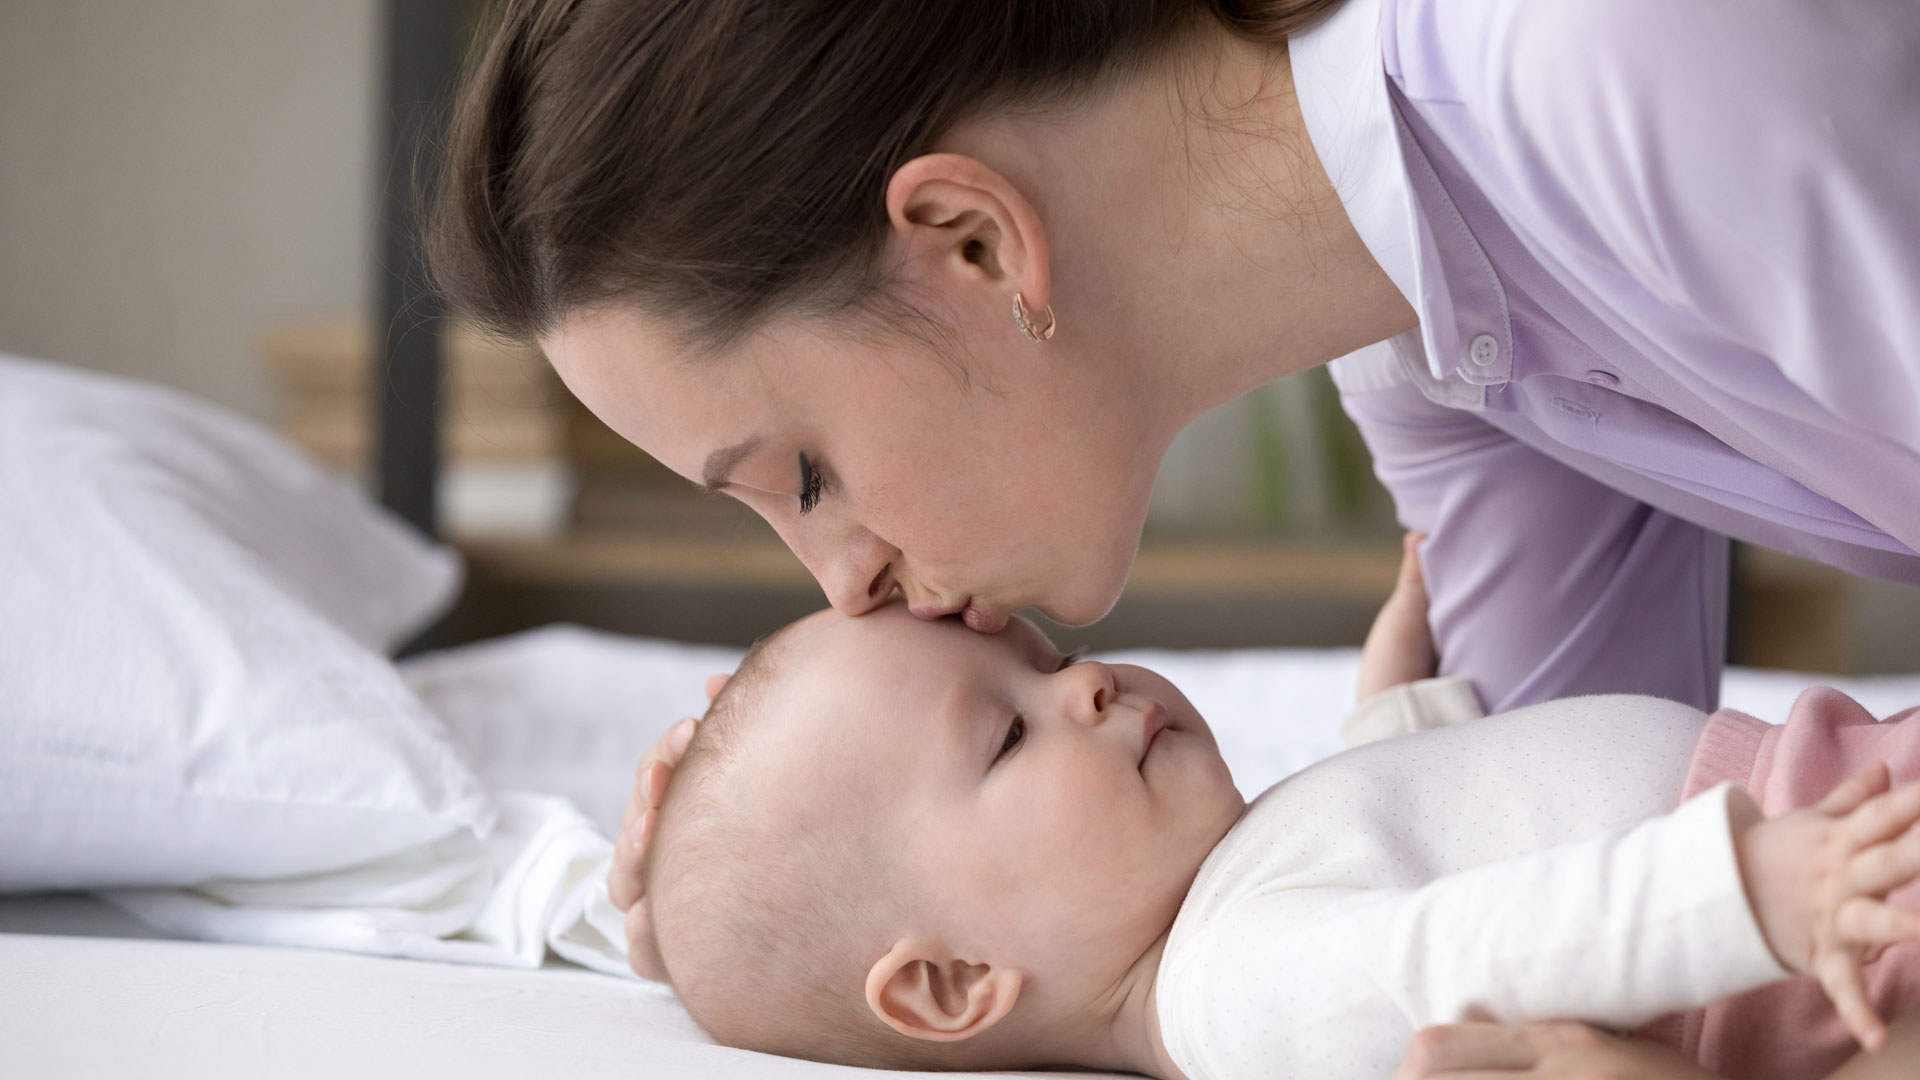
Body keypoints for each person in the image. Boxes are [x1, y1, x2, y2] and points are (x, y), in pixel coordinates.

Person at [426, 0, 1920, 1071]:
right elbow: (1580, 820)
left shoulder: (1621, 58)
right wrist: (765, 908)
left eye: (803, 476)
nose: (846, 589)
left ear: (972, 241)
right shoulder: (1418, 340)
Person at [625, 585, 1920, 1080]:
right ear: (956, 983)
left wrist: (1395, 708)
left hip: (1829, 829)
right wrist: (1746, 889)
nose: (1084, 685)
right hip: (1834, 917)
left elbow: (1416, 844)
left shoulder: (1227, 900)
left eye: (1051, 658)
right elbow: (1454, 948)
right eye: (1011, 736)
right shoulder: (1230, 997)